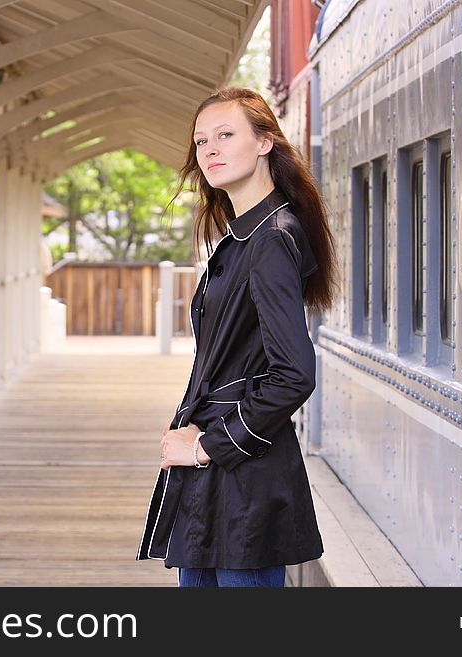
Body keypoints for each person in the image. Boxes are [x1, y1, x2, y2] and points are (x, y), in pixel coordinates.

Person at [137, 87, 338, 587]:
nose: (210, 149)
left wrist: (206, 446)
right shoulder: (243, 236)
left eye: (226, 135)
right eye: (201, 140)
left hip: (244, 480)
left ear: (266, 141)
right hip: (219, 485)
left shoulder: (271, 239)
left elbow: (293, 375)